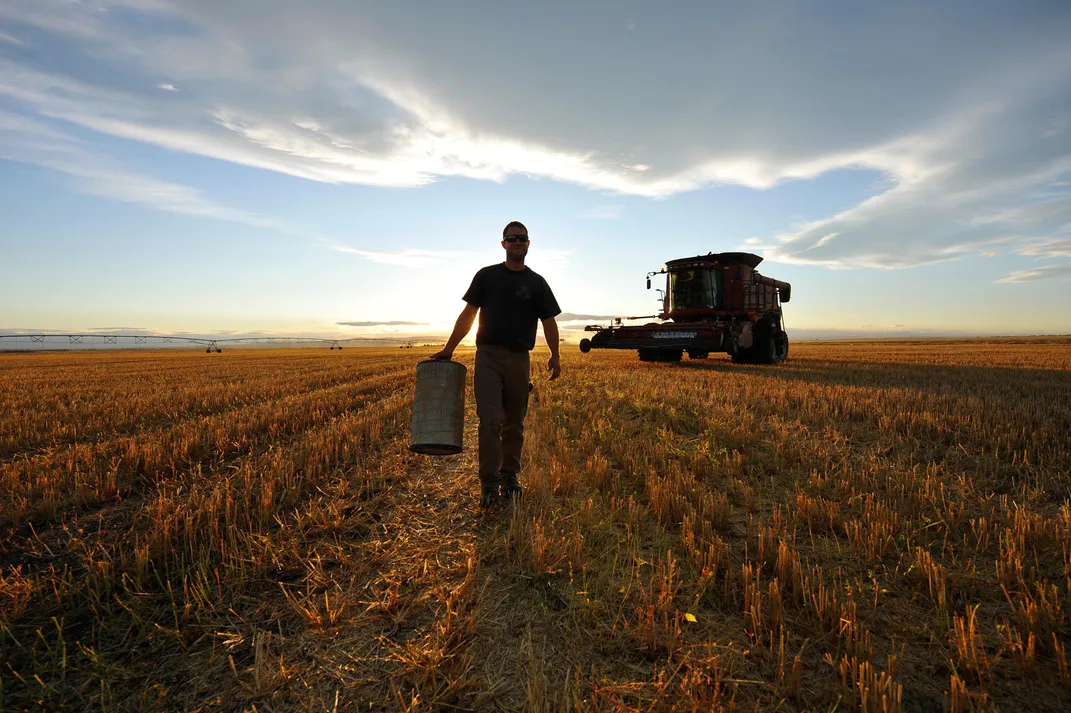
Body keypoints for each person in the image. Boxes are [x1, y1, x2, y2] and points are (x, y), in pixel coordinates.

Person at [431, 220, 562, 508]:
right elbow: (468, 313)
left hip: (519, 359)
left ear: (529, 244)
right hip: (488, 355)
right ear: (503, 244)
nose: (517, 242)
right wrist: (449, 349)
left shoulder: (536, 283)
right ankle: (489, 484)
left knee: (514, 423)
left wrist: (555, 354)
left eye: (522, 238)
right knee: (490, 419)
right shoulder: (487, 276)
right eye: (512, 238)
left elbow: (549, 321)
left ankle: (510, 477)